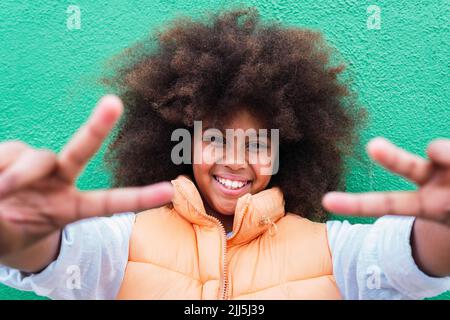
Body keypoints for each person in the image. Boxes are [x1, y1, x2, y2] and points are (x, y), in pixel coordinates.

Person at [0, 7, 449, 299]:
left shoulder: (333, 251)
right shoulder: (121, 241)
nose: (235, 160)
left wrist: (441, 226)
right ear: (180, 141)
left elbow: (401, 265)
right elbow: (65, 259)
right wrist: (27, 237)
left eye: (257, 143)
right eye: (214, 137)